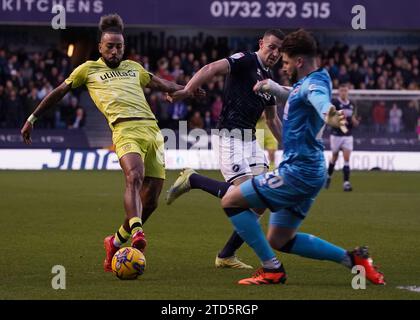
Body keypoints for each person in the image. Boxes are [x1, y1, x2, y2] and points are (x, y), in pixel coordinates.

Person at [166, 29, 385, 286]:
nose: (282, 64)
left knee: (234, 201)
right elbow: (296, 94)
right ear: (261, 43)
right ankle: (353, 259)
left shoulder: (313, 84)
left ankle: (270, 267)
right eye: (274, 50)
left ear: (299, 61)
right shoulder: (297, 77)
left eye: (287, 60)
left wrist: (328, 114)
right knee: (279, 237)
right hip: (298, 165)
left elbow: (315, 100)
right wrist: (276, 90)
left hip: (297, 171)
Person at [20, 14, 200, 273]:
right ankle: (137, 232)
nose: (115, 50)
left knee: (150, 202)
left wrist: (190, 87)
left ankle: (114, 241)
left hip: (152, 131)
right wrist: (32, 117)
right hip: (124, 129)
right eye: (110, 46)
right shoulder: (88, 70)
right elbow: (59, 91)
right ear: (100, 47)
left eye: (119, 46)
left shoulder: (134, 68)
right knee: (134, 176)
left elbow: (164, 85)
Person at [167, 29, 285, 269]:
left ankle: (226, 255)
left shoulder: (269, 79)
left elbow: (272, 120)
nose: (275, 53)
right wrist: (188, 91)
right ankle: (193, 179)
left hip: (250, 139)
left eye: (279, 50)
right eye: (271, 46)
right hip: (229, 135)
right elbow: (210, 69)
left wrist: (291, 148)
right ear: (261, 43)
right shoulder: (245, 60)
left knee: (262, 200)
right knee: (246, 196)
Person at [325, 83, 360, 192]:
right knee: (334, 157)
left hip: (348, 135)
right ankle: (328, 177)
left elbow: (353, 119)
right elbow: (328, 118)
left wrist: (355, 122)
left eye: (345, 90)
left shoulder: (352, 104)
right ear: (339, 92)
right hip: (336, 134)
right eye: (341, 91)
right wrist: (335, 121)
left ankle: (346, 183)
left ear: (348, 91)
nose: (343, 93)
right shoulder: (335, 103)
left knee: (346, 158)